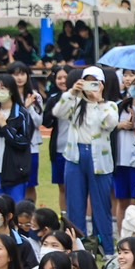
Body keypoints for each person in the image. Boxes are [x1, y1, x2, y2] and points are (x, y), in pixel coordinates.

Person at [51, 67, 119, 254]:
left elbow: (110, 123)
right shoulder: (76, 103)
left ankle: (107, 249)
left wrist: (98, 100)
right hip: (75, 156)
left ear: (102, 85)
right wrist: (72, 92)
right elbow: (57, 112)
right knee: (75, 204)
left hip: (99, 159)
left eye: (95, 82)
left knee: (101, 205)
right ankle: (77, 247)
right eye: (87, 82)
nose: (91, 86)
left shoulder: (110, 105)